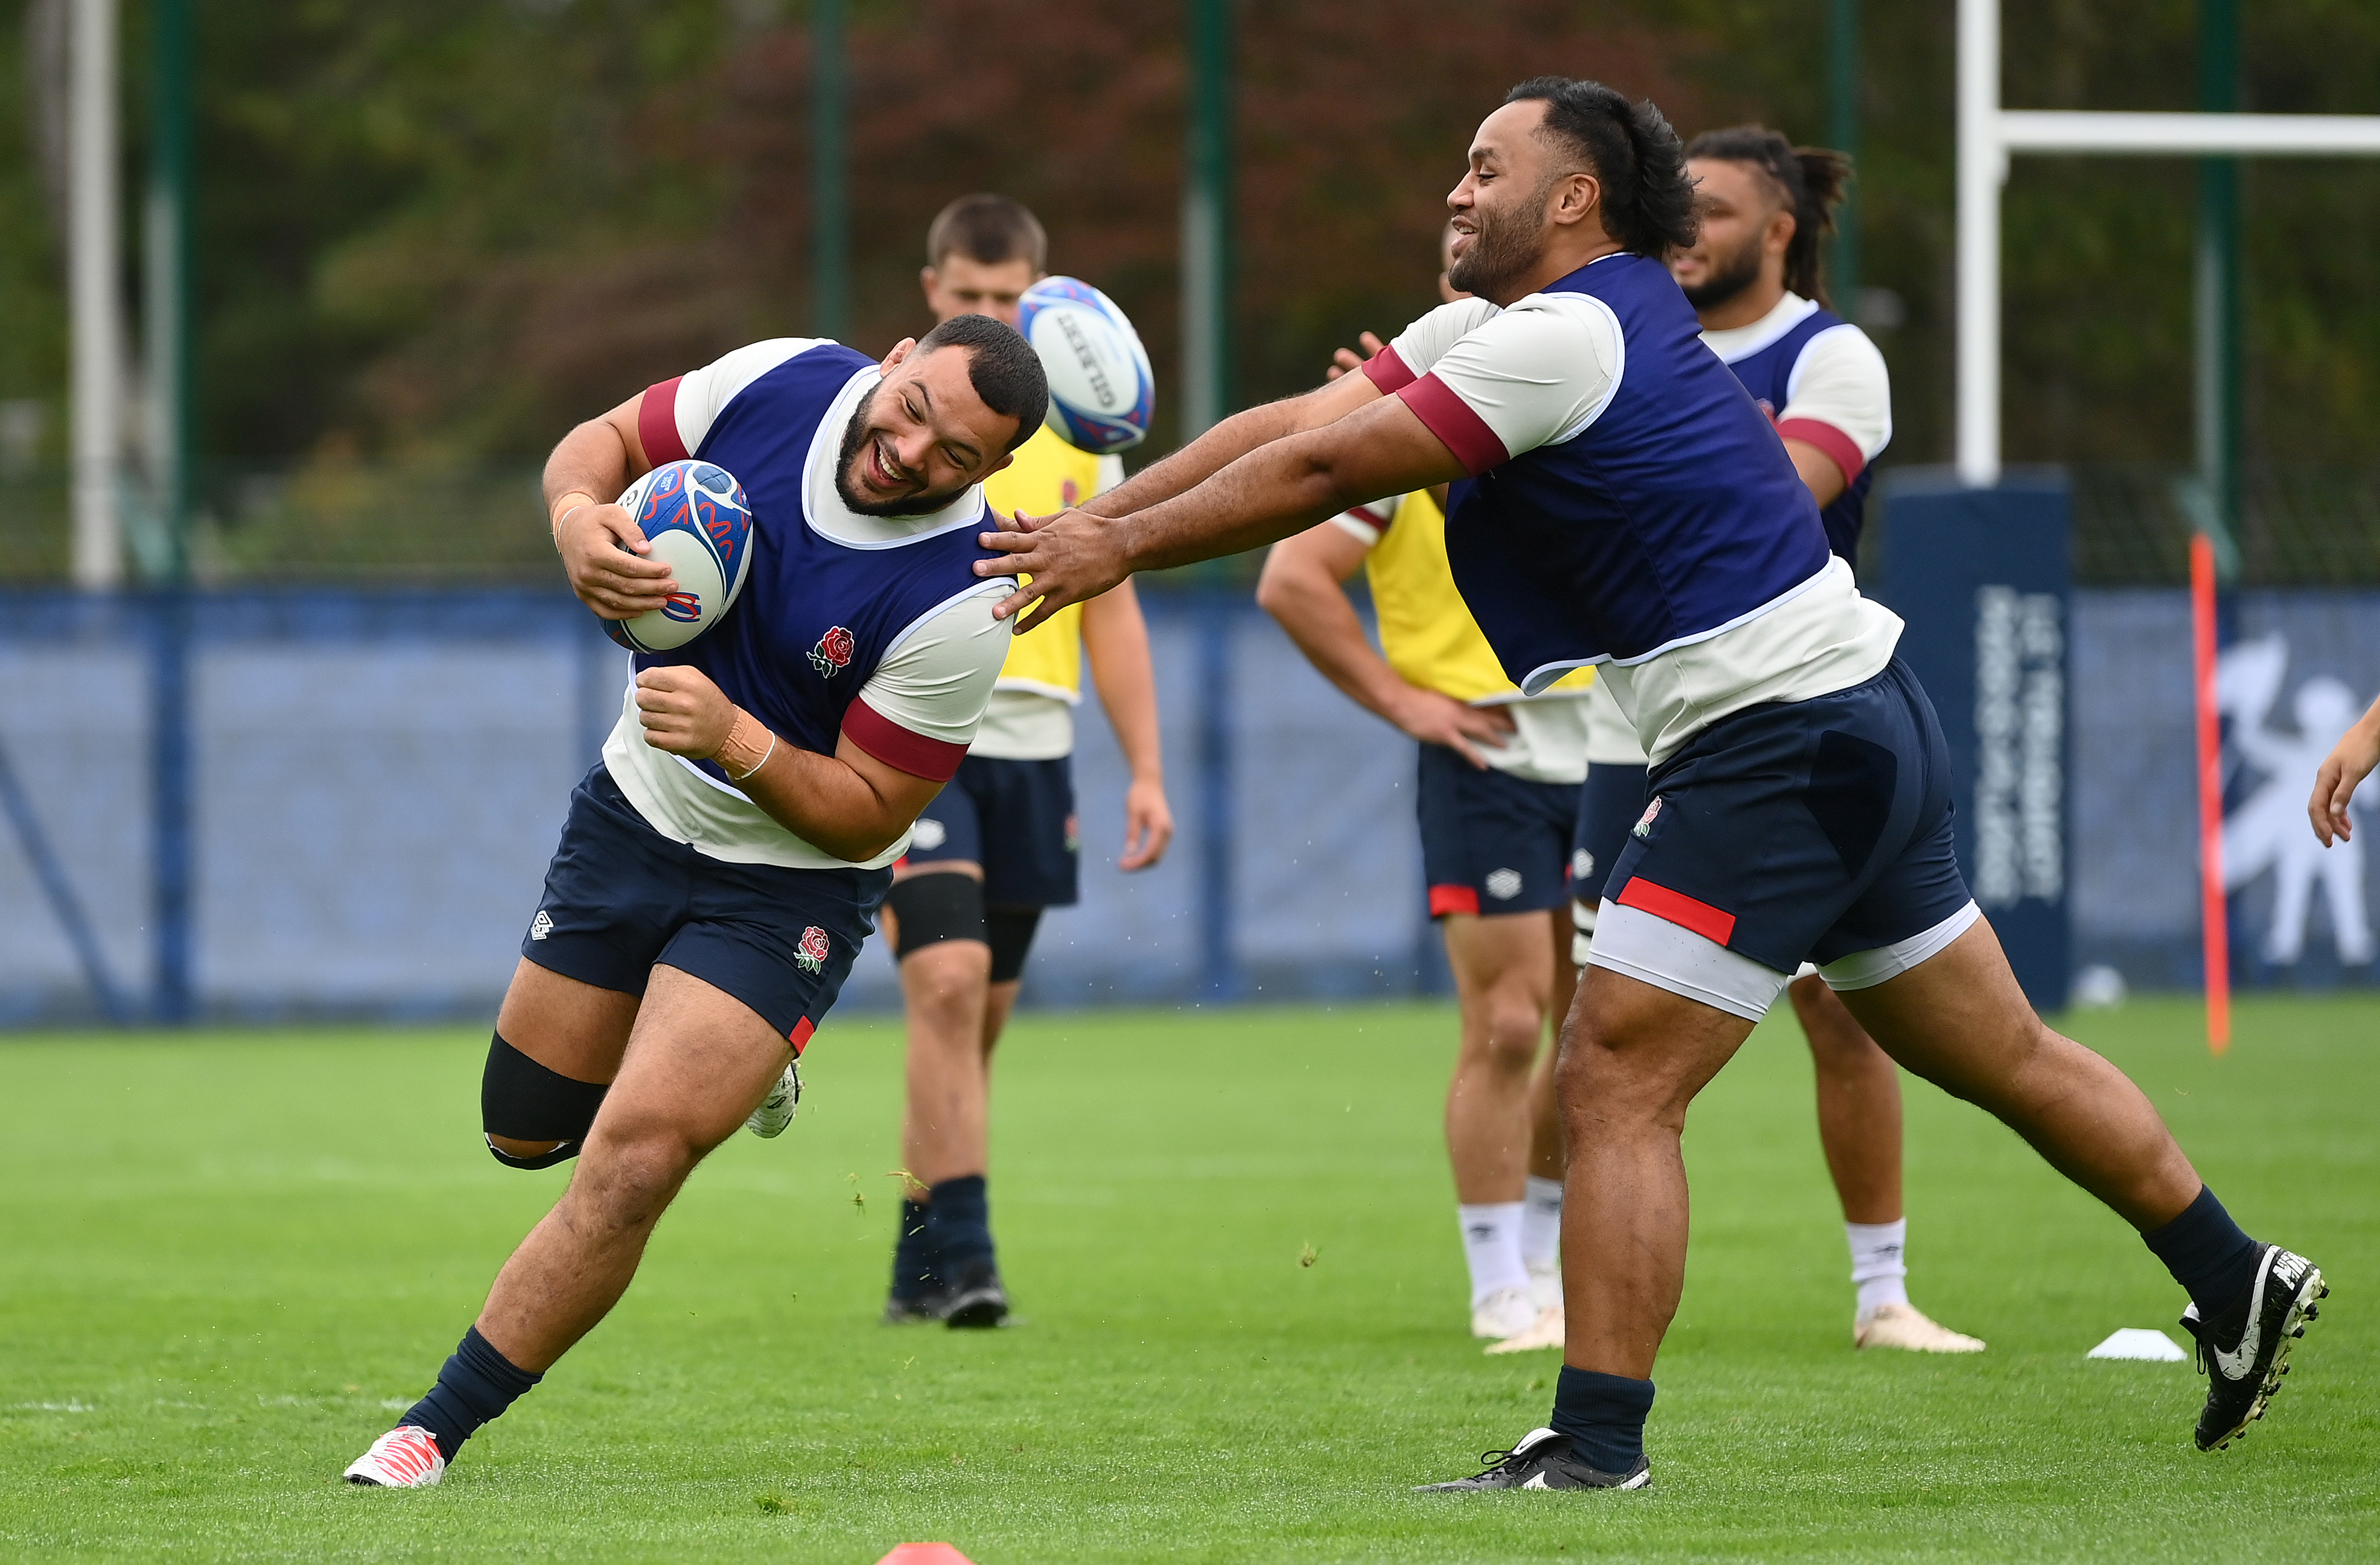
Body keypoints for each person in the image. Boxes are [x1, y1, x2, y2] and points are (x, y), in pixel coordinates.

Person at [975, 77, 2325, 1492]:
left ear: (1574, 199)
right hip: (1854, 713)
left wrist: (1116, 551)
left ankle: (1595, 1444)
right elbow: (1290, 420)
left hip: (1777, 737)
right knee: (2008, 1057)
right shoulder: (1499, 326)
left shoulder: (1565, 335)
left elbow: (1322, 466)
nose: (1456, 189)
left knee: (1614, 1073)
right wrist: (1093, 518)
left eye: (1486, 167)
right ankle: (2233, 1272)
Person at [340, 315, 1048, 1487]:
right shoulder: (782, 378)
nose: (914, 453)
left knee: (632, 1162)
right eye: (916, 410)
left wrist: (735, 738)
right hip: (631, 816)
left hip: (788, 888)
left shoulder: (964, 599)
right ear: (896, 358)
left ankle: (431, 1429)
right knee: (523, 1134)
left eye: (957, 456)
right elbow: (601, 441)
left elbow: (869, 810)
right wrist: (578, 521)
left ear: (996, 471)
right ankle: (743, 1064)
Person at [1562, 124, 1982, 1354]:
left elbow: (1771, 499)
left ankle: (1882, 1292)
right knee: (1595, 1025)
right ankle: (1535, 1278)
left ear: (1779, 230)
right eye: (1677, 208)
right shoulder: (1632, 336)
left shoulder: (1828, 354)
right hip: (1637, 730)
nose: (1686, 231)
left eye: (1717, 211)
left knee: (1845, 1016)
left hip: (1785, 723)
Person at [1259, 226, 1581, 1343]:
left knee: (1592, 1031)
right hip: (1486, 756)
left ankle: (1547, 1259)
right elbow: (1293, 580)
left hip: (1611, 746)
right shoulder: (1402, 441)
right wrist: (1407, 703)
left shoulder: (1582, 399)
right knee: (1508, 1022)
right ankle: (1499, 1283)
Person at [877, 195, 1174, 1328]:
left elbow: (1114, 611)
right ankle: (971, 1256)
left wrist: (1145, 768)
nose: (993, 314)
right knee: (948, 985)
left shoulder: (1083, 434)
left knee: (974, 1019)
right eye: (970, 296)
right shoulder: (901, 423)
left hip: (1036, 750)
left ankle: (917, 1252)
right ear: (933, 294)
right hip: (922, 740)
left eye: (1011, 298)